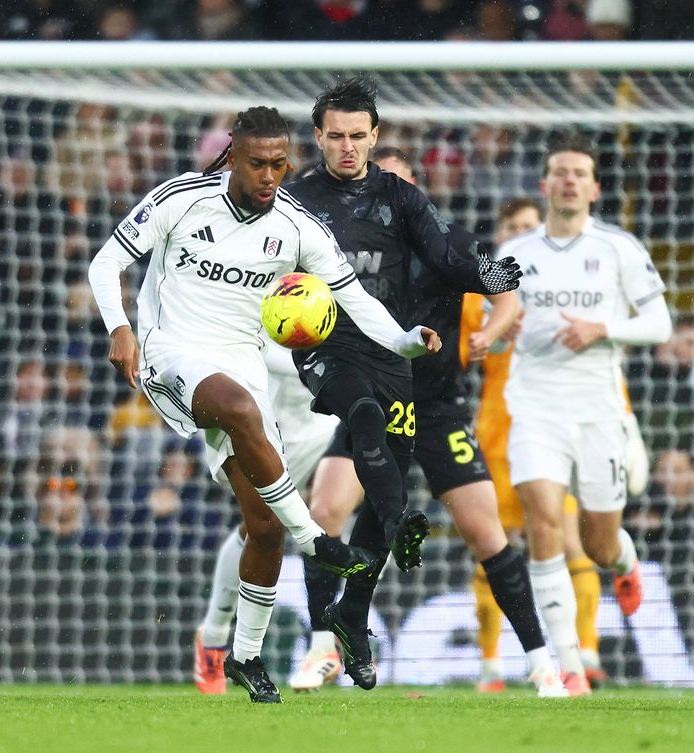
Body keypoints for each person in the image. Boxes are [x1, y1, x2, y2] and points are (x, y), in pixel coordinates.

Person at [88, 106, 442, 703]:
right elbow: (107, 263)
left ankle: (245, 658)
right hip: (171, 351)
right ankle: (318, 541)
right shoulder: (180, 199)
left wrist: (407, 339)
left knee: (262, 525)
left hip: (245, 361)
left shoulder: (298, 227)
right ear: (232, 156)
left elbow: (354, 298)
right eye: (258, 163)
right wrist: (119, 327)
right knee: (240, 411)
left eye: (280, 164)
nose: (270, 175)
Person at [288, 149, 572, 697]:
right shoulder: (343, 243)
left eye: (399, 182)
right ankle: (322, 649)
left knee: (484, 531)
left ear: (415, 190)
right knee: (324, 510)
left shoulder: (451, 242)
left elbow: (505, 293)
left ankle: (541, 661)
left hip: (438, 405)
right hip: (373, 396)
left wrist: (493, 330)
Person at [499, 132, 672, 685]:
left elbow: (660, 324)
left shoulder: (618, 249)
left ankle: (625, 563)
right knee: (544, 525)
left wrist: (603, 328)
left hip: (599, 412)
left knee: (598, 542)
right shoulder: (513, 256)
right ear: (545, 184)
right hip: (534, 407)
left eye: (579, 173)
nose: (569, 180)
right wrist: (504, 330)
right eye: (560, 172)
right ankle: (568, 667)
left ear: (594, 188)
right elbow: (490, 334)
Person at [467, 196, 652, 691]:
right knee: (493, 547)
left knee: (576, 541)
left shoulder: (577, 282)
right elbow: (468, 348)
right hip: (500, 430)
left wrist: (626, 426)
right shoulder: (481, 290)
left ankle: (583, 654)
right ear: (503, 234)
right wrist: (500, 330)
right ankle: (492, 667)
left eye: (528, 224)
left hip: (565, 425)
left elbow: (603, 364)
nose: (521, 231)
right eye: (512, 224)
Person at [192, 339, 339, 695]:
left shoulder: (346, 285)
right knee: (260, 527)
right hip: (271, 423)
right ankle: (212, 636)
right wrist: (322, 358)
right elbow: (250, 344)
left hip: (329, 423)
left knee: (332, 514)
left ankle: (327, 645)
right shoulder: (268, 286)